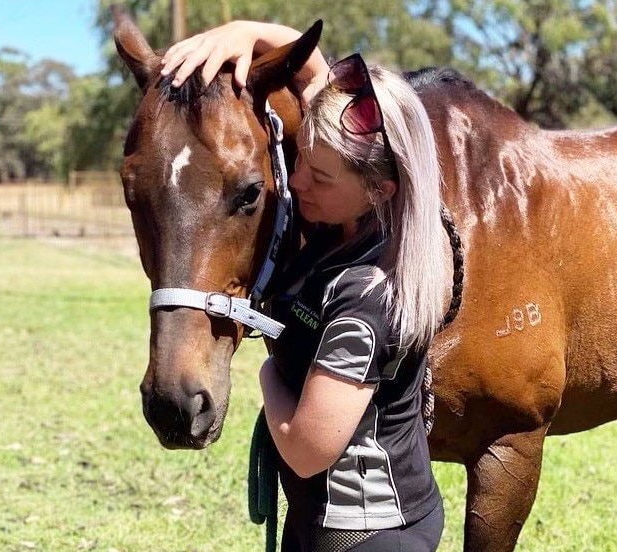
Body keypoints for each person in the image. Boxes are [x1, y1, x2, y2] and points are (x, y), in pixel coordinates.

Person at [161, 21, 449, 552]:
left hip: (361, 532)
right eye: (299, 163)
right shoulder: (349, 225)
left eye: (318, 175)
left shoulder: (366, 298)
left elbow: (305, 448)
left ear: (377, 189)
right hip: (323, 517)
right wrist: (243, 32)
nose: (296, 183)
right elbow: (316, 77)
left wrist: (271, 373)